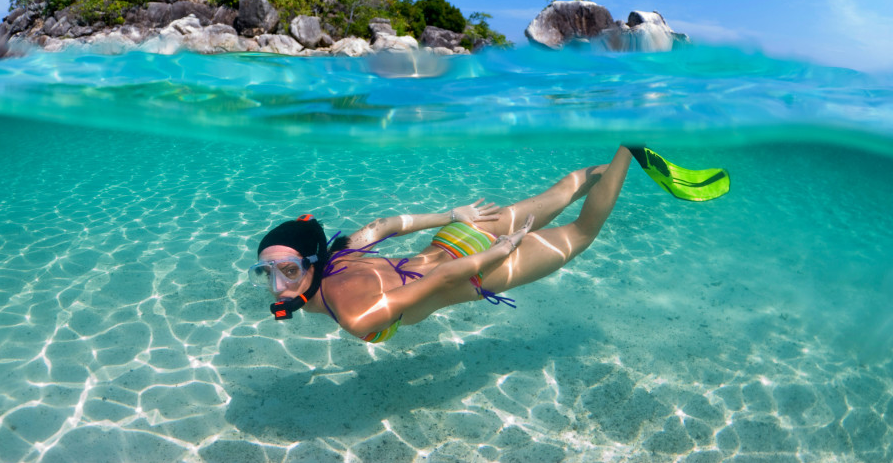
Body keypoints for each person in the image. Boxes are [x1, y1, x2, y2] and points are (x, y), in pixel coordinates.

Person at [247, 146, 729, 342]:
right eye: (266, 273)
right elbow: (387, 223)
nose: (276, 286)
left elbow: (439, 279)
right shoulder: (344, 249)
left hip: (473, 265)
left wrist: (495, 256)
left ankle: (630, 151)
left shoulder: (355, 318)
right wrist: (453, 216)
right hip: (454, 235)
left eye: (287, 270)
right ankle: (608, 167)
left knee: (581, 234)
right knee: (559, 193)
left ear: (311, 263)